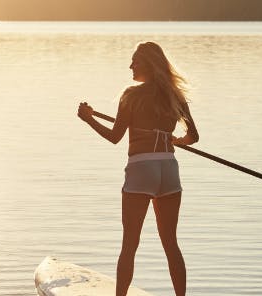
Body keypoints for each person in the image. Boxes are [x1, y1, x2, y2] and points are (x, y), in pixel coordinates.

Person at [77, 41, 199, 296]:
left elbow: (115, 137)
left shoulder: (131, 95)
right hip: (168, 169)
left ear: (150, 65)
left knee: (129, 244)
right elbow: (193, 137)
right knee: (171, 245)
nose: (130, 65)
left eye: (135, 61)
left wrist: (88, 119)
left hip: (141, 169)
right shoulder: (175, 96)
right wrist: (174, 139)